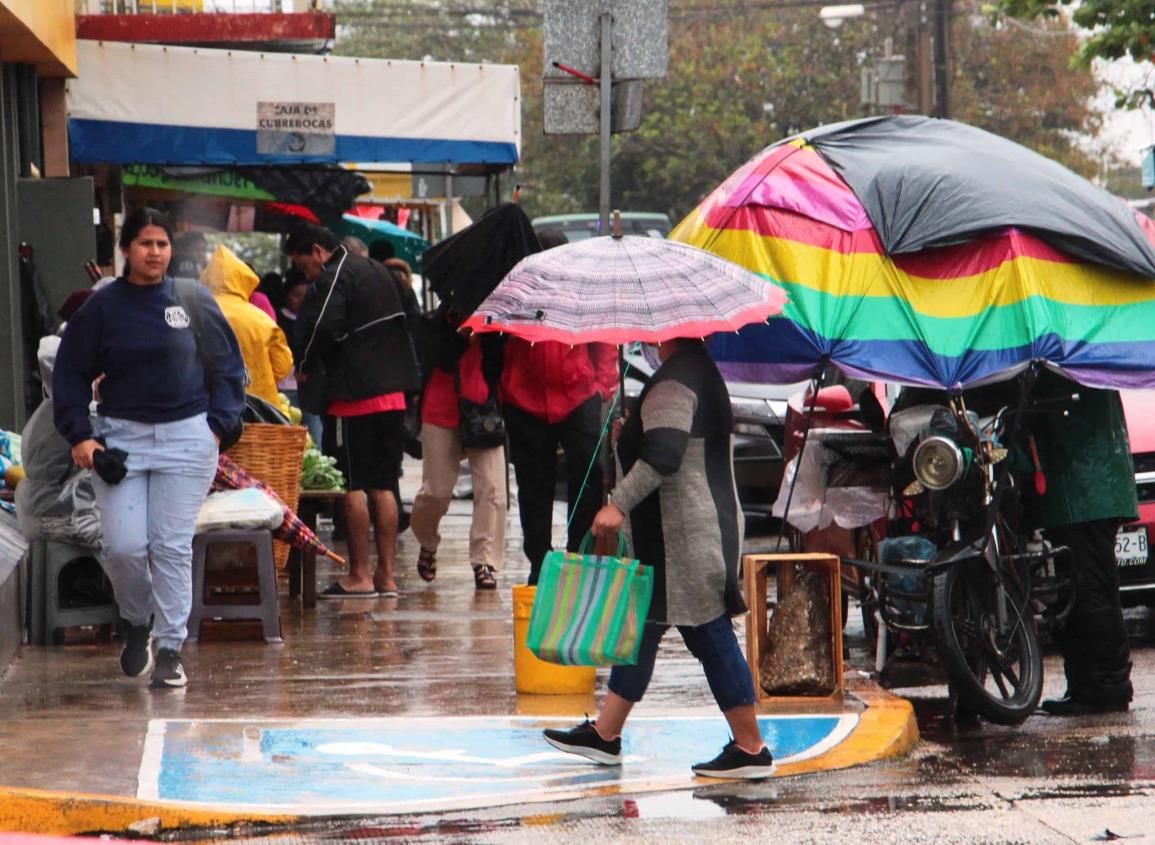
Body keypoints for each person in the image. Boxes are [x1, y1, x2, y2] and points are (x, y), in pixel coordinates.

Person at [543, 337, 774, 779]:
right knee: (643, 629)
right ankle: (605, 735)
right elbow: (667, 445)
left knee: (709, 632)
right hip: (677, 534)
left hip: (683, 537)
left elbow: (665, 455)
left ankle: (750, 747)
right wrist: (623, 438)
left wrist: (618, 504)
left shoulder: (675, 381)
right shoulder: (693, 372)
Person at [52, 207, 245, 688]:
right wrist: (81, 435)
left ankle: (171, 649)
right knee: (122, 547)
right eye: (145, 244)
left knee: (171, 547)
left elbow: (228, 368)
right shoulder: (101, 307)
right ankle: (137, 621)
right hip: (122, 442)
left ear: (170, 249)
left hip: (188, 438)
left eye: (162, 244)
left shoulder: (193, 300)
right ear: (125, 250)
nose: (154, 252)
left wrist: (217, 428)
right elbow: (70, 372)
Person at [289, 225, 420, 599]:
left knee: (351, 484)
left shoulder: (338, 273)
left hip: (355, 396)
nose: (309, 277)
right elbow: (410, 317)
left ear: (318, 251)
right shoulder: (380, 270)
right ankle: (387, 576)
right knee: (383, 485)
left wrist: (307, 362)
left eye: (306, 268)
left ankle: (359, 575)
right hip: (393, 395)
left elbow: (322, 325)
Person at [1028, 371, 1136, 715]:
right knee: (1081, 586)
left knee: (1090, 587)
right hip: (1085, 486)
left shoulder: (1070, 354)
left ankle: (1105, 685)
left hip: (1086, 487)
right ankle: (1090, 684)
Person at [501, 333, 617, 584]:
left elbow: (602, 331)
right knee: (533, 485)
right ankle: (539, 563)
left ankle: (580, 558)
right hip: (524, 395)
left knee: (588, 476)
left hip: (579, 392)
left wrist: (601, 386)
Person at [410, 309, 506, 590]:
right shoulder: (431, 323)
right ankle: (427, 542)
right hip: (441, 410)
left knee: (492, 490)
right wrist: (461, 338)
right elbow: (435, 360)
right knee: (435, 492)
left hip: (482, 410)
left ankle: (484, 562)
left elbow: (499, 366)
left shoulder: (495, 322)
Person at [201, 245, 293, 408]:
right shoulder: (262, 320)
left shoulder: (194, 313)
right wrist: (259, 379)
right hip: (259, 408)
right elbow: (282, 365)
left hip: (207, 406)